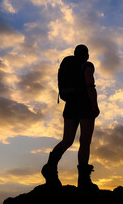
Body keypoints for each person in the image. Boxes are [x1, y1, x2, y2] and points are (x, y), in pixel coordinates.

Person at [41, 44, 100, 190]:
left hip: (71, 106)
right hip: (85, 105)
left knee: (67, 140)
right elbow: (90, 85)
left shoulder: (69, 66)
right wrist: (94, 104)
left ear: (74, 54)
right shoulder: (87, 65)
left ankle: (50, 167)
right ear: (86, 55)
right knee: (85, 141)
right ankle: (83, 180)